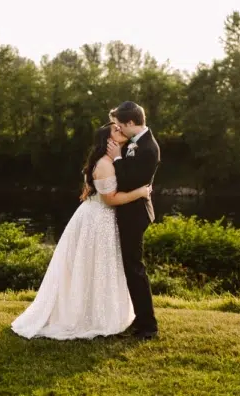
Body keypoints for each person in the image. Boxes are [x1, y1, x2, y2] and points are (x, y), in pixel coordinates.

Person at [10, 121, 152, 340]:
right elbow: (110, 199)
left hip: (97, 216)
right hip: (98, 220)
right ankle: (87, 317)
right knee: (93, 265)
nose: (121, 130)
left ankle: (101, 312)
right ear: (108, 141)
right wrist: (141, 192)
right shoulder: (105, 163)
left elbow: (93, 189)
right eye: (116, 130)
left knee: (99, 266)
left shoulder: (109, 159)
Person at [105, 100, 161, 340]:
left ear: (130, 123)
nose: (117, 129)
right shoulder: (134, 142)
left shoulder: (148, 148)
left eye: (119, 125)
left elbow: (128, 182)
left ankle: (148, 326)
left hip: (135, 214)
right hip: (128, 211)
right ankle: (137, 318)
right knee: (129, 267)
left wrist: (117, 159)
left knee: (135, 268)